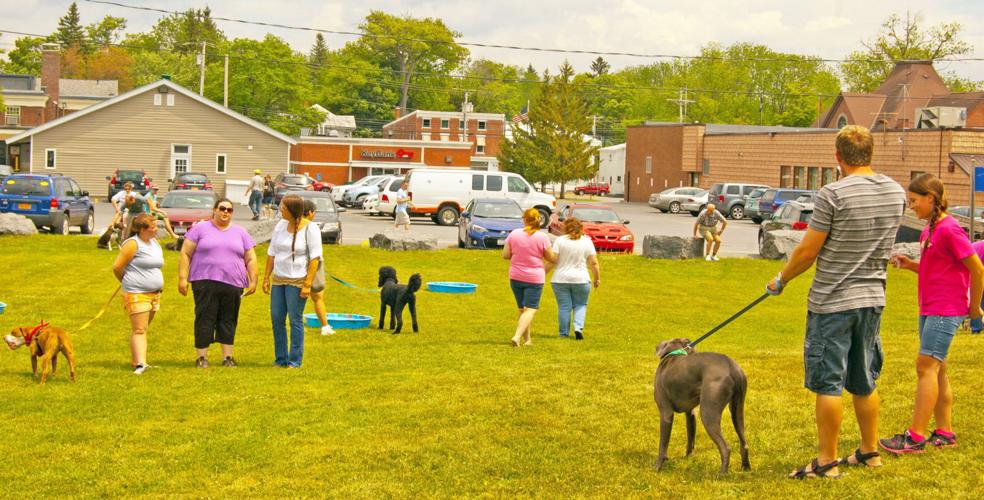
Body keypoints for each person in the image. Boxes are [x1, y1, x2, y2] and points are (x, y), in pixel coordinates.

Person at [765, 125, 906, 479]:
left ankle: (826, 462)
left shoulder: (832, 194)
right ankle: (870, 452)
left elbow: (808, 251)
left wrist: (781, 279)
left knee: (828, 383)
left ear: (838, 157)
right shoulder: (895, 191)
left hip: (832, 302)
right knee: (863, 378)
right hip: (873, 299)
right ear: (871, 153)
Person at [878, 174, 984, 454]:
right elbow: (935, 268)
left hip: (945, 309)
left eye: (914, 201)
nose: (911, 206)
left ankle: (915, 437)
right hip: (929, 307)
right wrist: (910, 264)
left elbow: (977, 268)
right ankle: (945, 432)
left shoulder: (950, 229)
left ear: (931, 198)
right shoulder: (930, 230)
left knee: (925, 367)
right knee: (937, 370)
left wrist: (974, 308)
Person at [178, 198, 258, 368]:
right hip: (204, 280)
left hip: (234, 282)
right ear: (214, 210)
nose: (225, 212)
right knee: (204, 317)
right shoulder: (200, 229)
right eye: (222, 208)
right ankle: (201, 358)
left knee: (228, 319)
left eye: (229, 210)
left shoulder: (241, 232)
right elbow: (185, 253)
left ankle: (227, 358)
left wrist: (253, 281)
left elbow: (250, 258)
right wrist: (182, 278)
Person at [263, 194, 322, 368]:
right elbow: (271, 252)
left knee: (295, 319)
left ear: (293, 211)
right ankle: (280, 359)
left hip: (297, 281)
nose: (280, 210)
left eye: (283, 208)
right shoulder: (280, 226)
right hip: (279, 280)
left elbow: (315, 259)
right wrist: (266, 277)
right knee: (276, 318)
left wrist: (307, 285)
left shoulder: (310, 229)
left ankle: (294, 360)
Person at [112, 213, 164, 375]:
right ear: (142, 229)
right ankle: (141, 364)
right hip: (137, 292)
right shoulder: (133, 244)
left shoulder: (154, 243)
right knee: (139, 329)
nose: (156, 229)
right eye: (153, 226)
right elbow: (117, 267)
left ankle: (138, 360)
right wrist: (127, 281)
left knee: (143, 328)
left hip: (154, 293)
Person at [503, 208, 558, 347]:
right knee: (531, 309)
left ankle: (527, 340)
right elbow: (551, 257)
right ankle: (517, 336)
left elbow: (505, 255)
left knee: (522, 309)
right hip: (534, 278)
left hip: (515, 276)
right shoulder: (542, 237)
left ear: (525, 220)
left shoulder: (514, 234)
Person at [547, 217, 600, 340]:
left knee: (564, 307)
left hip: (560, 279)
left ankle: (563, 333)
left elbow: (553, 260)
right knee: (580, 305)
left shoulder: (560, 241)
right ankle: (578, 328)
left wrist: (542, 272)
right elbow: (594, 263)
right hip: (581, 279)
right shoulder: (587, 241)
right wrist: (597, 278)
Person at [303, 199, 333, 336]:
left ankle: (297, 325)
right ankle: (325, 326)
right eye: (313, 212)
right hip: (311, 266)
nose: (314, 215)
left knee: (296, 299)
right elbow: (316, 253)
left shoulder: (293, 225)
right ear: (309, 212)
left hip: (297, 267)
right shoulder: (311, 227)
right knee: (318, 297)